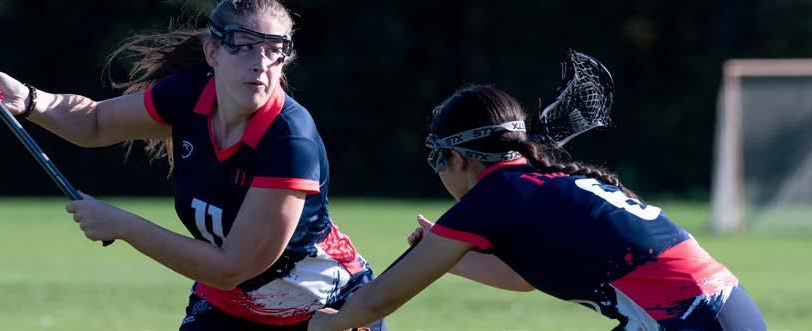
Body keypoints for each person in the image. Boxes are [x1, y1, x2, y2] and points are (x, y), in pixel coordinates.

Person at [0, 0, 383, 330]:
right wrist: (29, 100)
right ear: (212, 52)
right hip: (228, 308)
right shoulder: (189, 94)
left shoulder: (290, 140)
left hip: (324, 314)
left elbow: (231, 267)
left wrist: (123, 225)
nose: (260, 64)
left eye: (275, 50)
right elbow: (95, 123)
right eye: (244, 46)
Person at [309, 84, 766, 331]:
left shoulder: (493, 197)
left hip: (687, 319)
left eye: (437, 160)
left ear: (457, 159)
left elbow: (380, 299)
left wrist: (332, 323)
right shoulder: (539, 183)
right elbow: (524, 277)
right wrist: (448, 257)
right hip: (717, 311)